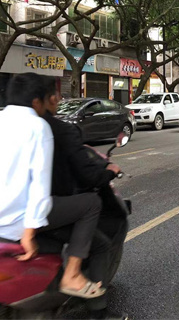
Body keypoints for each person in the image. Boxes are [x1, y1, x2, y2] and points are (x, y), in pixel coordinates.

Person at [0, 72, 104, 300]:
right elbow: (39, 186)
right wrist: (29, 233)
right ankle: (71, 275)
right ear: (37, 102)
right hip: (11, 222)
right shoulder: (37, 126)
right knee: (91, 204)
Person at [40, 77, 128, 319]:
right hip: (37, 214)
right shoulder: (59, 130)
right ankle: (96, 311)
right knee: (98, 236)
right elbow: (88, 176)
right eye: (57, 96)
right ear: (49, 99)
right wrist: (108, 171)